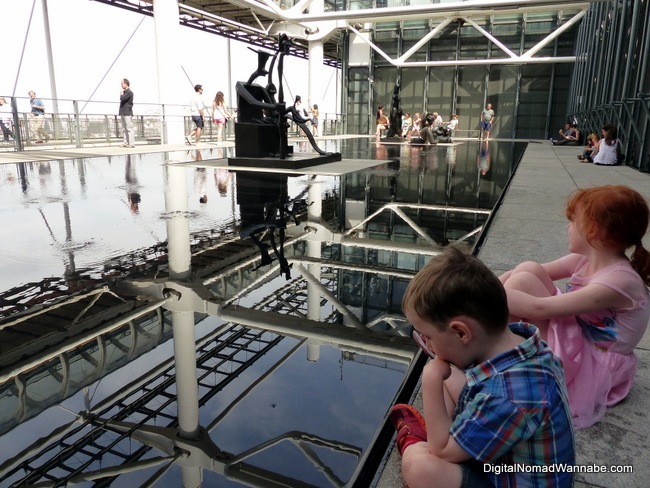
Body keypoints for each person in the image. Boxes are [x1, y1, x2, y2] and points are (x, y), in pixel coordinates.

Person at [390, 246, 574, 488]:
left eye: (428, 336)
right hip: (509, 455)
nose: (428, 345)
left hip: (511, 480)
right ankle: (443, 434)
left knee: (419, 467)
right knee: (450, 378)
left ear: (461, 332)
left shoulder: (504, 398)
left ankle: (419, 440)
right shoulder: (528, 347)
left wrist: (430, 378)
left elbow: (443, 452)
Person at [499, 185, 650, 428]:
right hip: (577, 344)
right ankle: (486, 336)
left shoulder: (621, 281)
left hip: (592, 366)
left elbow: (540, 309)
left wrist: (482, 295)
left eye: (572, 221)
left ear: (594, 230)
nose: (568, 227)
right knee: (528, 269)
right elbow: (528, 272)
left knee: (524, 281)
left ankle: (485, 347)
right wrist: (483, 287)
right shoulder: (586, 260)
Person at [119, 78, 135, 148]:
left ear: (126, 83)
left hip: (127, 113)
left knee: (129, 128)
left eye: (122, 84)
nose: (121, 85)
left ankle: (131, 143)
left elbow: (122, 99)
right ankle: (125, 143)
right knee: (124, 129)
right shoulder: (125, 92)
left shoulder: (129, 92)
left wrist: (121, 93)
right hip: (123, 112)